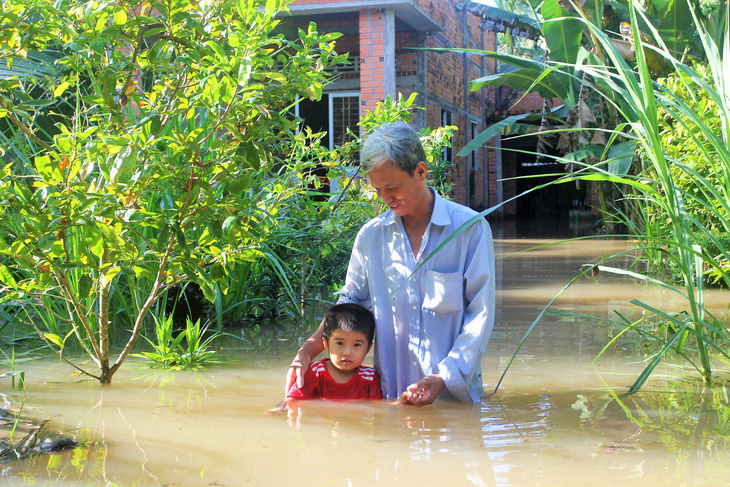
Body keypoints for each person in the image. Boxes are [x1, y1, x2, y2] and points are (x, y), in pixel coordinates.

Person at [286, 121, 495, 406]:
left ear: (420, 171)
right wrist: (308, 350)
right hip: (390, 395)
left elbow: (479, 316)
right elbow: (350, 306)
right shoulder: (371, 236)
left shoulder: (470, 229)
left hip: (451, 398)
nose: (386, 198)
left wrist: (442, 377)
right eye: (378, 189)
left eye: (393, 187)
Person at [269, 303, 383, 413]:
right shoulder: (316, 372)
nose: (347, 352)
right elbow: (293, 399)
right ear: (326, 344)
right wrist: (279, 407)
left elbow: (378, 405)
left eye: (357, 345)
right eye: (340, 343)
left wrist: (397, 404)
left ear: (368, 349)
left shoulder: (370, 377)